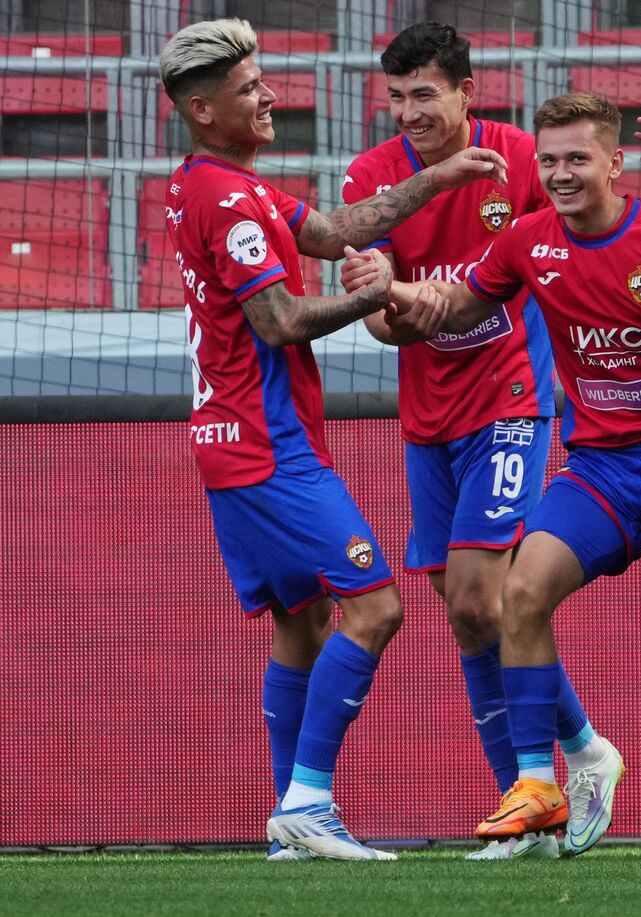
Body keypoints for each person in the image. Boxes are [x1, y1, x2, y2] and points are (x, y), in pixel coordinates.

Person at [344, 90, 641, 858]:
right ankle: (540, 782)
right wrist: (389, 288)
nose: (562, 174)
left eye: (578, 159)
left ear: (615, 162)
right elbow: (450, 307)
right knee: (519, 593)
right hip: (600, 470)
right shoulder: (525, 241)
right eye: (549, 161)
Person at [158, 18, 506, 860]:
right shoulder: (230, 201)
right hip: (266, 444)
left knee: (301, 621)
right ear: (204, 110)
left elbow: (341, 228)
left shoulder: (209, 184)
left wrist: (443, 176)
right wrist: (379, 298)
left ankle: (290, 822)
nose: (270, 95)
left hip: (229, 438)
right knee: (377, 605)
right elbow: (279, 321)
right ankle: (310, 801)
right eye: (248, 89)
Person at [343, 21, 607, 861]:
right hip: (428, 418)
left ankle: (539, 789)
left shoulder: (525, 160)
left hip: (513, 400)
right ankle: (569, 766)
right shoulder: (372, 178)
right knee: (469, 619)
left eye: (426, 94)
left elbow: (566, 253)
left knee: (476, 599)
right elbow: (386, 328)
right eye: (397, 98)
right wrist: (396, 302)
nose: (411, 112)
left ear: (467, 93)